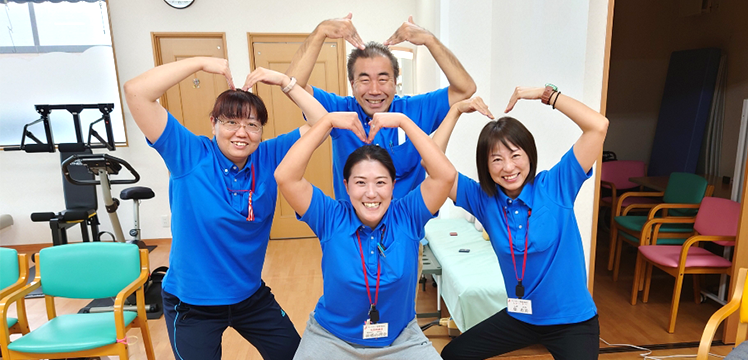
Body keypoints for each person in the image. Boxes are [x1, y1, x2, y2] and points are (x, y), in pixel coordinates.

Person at [123, 58, 328, 360]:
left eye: (252, 125)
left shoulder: (268, 156)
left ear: (261, 131)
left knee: (296, 356)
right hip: (193, 304)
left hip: (250, 297)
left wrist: (284, 82)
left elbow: (322, 123)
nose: (241, 133)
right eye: (231, 122)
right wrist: (200, 63)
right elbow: (136, 91)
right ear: (214, 124)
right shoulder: (189, 154)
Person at [436, 86, 609, 360]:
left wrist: (546, 94)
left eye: (515, 155)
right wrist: (455, 110)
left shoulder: (556, 185)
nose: (508, 167)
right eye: (496, 159)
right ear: (486, 165)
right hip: (522, 317)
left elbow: (598, 127)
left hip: (572, 322)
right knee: (454, 354)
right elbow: (432, 163)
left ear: (529, 155)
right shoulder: (483, 199)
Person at [274, 111, 456, 359]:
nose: (371, 193)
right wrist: (326, 122)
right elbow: (286, 176)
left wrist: (404, 121)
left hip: (399, 339)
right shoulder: (330, 217)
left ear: (393, 186)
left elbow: (445, 175)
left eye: (380, 183)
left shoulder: (408, 215)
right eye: (360, 183)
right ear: (346, 186)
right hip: (332, 338)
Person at [285, 13, 476, 200]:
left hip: (405, 226)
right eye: (365, 79)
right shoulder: (339, 110)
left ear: (395, 82)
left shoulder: (413, 110)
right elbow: (292, 86)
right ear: (352, 84)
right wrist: (321, 32)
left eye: (383, 79)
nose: (374, 90)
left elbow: (465, 89)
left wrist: (429, 40)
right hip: (351, 228)